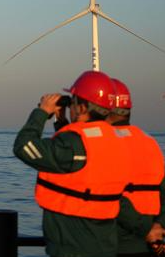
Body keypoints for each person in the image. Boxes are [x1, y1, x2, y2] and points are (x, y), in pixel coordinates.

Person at [13, 70, 133, 257]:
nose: (71, 106)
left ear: (83, 107)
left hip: (73, 247)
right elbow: (78, 163)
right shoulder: (116, 141)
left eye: (73, 101)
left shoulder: (74, 144)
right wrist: (62, 122)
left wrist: (41, 112)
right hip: (104, 243)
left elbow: (24, 147)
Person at [109, 78, 165, 257]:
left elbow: (108, 197)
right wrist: (159, 227)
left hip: (115, 244)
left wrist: (146, 230)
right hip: (149, 247)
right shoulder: (149, 143)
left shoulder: (101, 145)